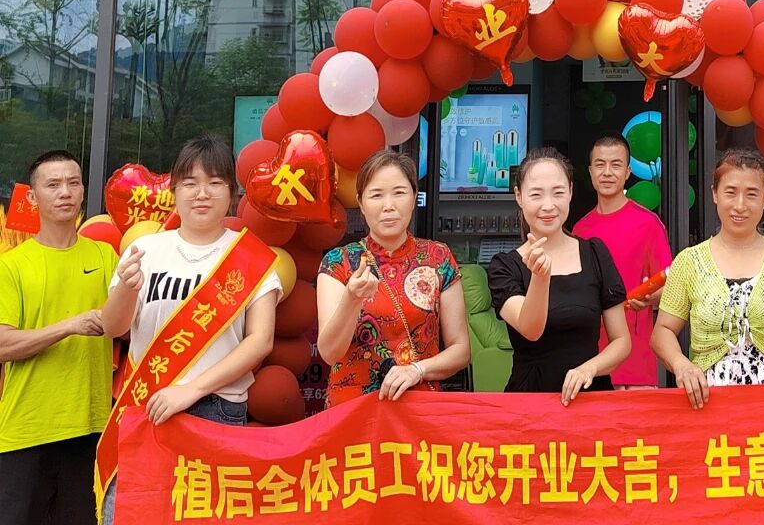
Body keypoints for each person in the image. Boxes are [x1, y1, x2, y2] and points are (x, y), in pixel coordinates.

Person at [99, 135, 281, 524]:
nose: (202, 193)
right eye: (190, 183)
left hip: (217, 409)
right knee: (132, 512)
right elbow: (113, 327)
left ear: (231, 193)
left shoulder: (252, 257)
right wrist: (126, 290)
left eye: (215, 182)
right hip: (147, 402)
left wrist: (192, 390)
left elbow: (260, 340)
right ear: (175, 190)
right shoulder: (146, 251)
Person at [652, 148, 764, 408]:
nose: (740, 205)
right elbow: (662, 332)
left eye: (751, 194)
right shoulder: (689, 261)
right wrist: (682, 365)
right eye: (730, 192)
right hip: (707, 405)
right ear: (714, 194)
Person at [0, 151, 115, 525]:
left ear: (83, 191)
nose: (65, 192)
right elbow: (3, 345)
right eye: (53, 185)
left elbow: (126, 325)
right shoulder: (12, 265)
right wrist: (69, 326)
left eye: (73, 183)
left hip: (91, 427)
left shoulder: (106, 256)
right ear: (32, 197)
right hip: (25, 430)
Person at [317, 150, 469, 406]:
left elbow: (460, 350)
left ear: (413, 197)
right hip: (353, 410)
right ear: (361, 203)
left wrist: (417, 370)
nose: (389, 206)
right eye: (376, 195)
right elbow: (330, 353)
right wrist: (351, 299)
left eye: (399, 193)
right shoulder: (338, 262)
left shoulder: (438, 257)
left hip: (419, 406)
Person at [488, 147, 630, 404]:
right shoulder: (505, 267)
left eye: (558, 193)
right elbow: (531, 330)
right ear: (519, 196)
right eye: (536, 194)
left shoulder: (594, 253)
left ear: (571, 192)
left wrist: (589, 369)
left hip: (591, 401)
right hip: (530, 403)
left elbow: (621, 341)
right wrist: (540, 277)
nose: (548, 205)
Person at [572, 133, 673, 389]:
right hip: (587, 364)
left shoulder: (648, 224)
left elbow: (671, 285)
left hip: (636, 365)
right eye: (600, 164)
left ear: (627, 172)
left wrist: (650, 296)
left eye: (615, 165)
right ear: (590, 172)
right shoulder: (579, 230)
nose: (607, 172)